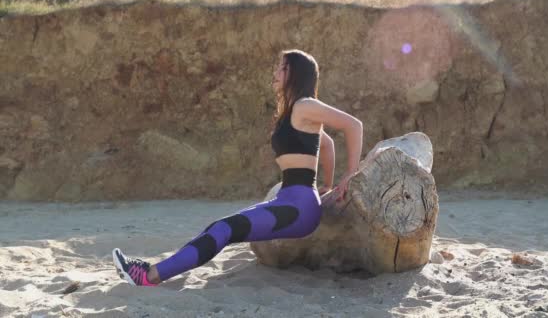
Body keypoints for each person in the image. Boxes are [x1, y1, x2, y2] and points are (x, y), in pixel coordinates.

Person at [112, 49, 363, 286]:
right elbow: (327, 145)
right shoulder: (294, 112)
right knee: (218, 227)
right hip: (289, 201)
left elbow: (354, 126)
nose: (275, 73)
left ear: (296, 74)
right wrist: (326, 186)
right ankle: (150, 272)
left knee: (224, 229)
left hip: (298, 207)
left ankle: (148, 276)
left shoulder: (304, 105)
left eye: (282, 68)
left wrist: (349, 178)